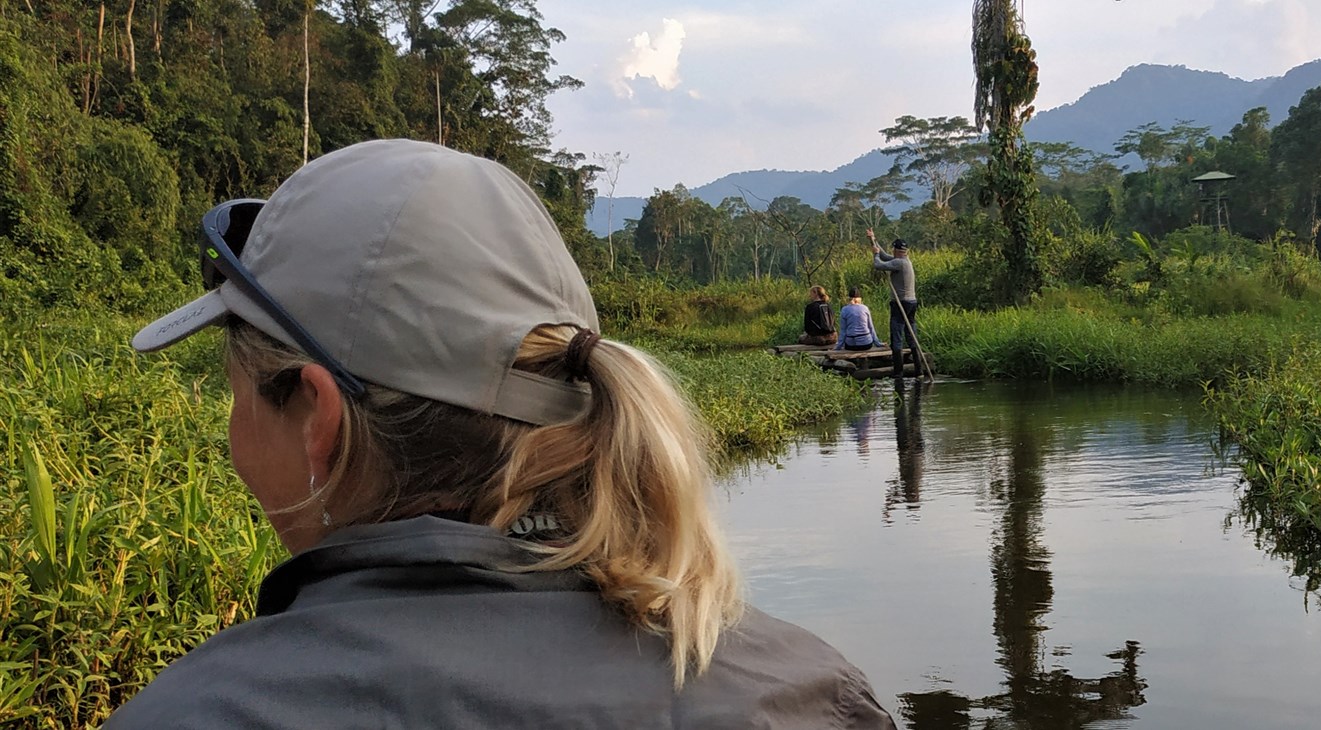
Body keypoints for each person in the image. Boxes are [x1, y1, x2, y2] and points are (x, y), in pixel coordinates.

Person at [109, 140, 896, 729]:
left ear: (318, 417)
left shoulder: (193, 713)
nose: (231, 424)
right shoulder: (813, 691)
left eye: (235, 390)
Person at [867, 229, 919, 377]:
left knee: (896, 336)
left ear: (896, 250)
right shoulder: (905, 261)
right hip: (912, 302)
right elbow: (884, 256)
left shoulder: (899, 263)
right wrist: (873, 239)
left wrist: (875, 254)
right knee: (911, 334)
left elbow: (878, 264)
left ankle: (898, 373)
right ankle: (918, 370)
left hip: (900, 303)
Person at [836, 286, 880, 352]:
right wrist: (877, 343)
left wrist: (838, 347)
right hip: (866, 344)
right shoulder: (865, 308)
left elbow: (843, 331)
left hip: (851, 345)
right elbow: (871, 327)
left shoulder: (844, 309)